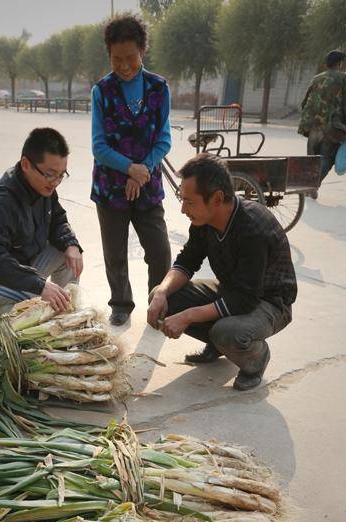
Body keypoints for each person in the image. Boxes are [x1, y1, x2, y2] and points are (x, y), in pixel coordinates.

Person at [147, 154, 297, 392]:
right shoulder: (203, 221)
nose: (184, 209)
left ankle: (256, 360)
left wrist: (188, 316)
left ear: (217, 198)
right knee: (163, 296)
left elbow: (246, 298)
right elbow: (187, 261)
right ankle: (218, 344)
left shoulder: (253, 226)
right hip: (233, 289)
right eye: (181, 200)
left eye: (189, 201)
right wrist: (161, 293)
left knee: (228, 332)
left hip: (269, 302)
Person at [91, 13, 172, 326]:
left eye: (130, 58)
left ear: (142, 51)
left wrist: (142, 170)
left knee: (159, 250)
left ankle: (160, 301)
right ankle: (121, 303)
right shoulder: (102, 91)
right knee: (115, 252)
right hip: (110, 187)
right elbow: (99, 147)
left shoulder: (158, 88)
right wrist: (130, 169)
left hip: (148, 184)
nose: (124, 66)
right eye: (116, 59)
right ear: (108, 54)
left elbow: (163, 140)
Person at [0, 127, 83, 313]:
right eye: (50, 174)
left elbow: (58, 220)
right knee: (36, 303)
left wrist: (71, 244)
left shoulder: (44, 187)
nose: (55, 182)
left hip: (21, 266)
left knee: (68, 255)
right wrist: (40, 286)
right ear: (26, 164)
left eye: (61, 175)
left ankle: (68, 314)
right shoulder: (0, 200)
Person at [298, 49, 346, 193]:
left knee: (312, 158)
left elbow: (304, 102)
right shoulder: (343, 79)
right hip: (331, 127)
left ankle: (308, 185)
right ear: (340, 63)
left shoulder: (316, 78)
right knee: (327, 158)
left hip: (312, 126)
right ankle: (311, 186)